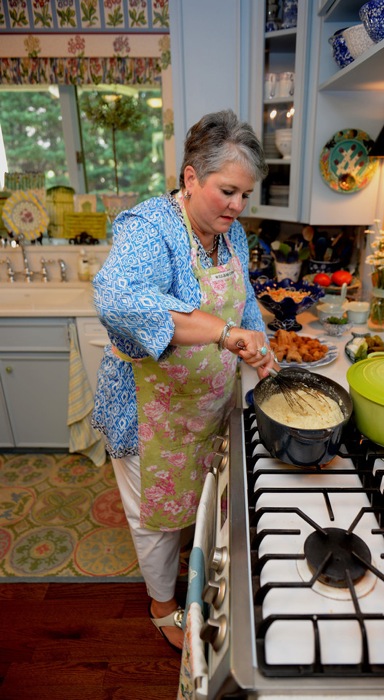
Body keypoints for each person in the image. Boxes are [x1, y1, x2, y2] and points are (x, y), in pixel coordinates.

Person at [91, 109, 277, 652]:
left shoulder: (231, 233)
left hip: (207, 406)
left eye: (245, 194)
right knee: (155, 518)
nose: (238, 206)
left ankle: (198, 588)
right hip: (151, 414)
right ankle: (163, 606)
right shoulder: (151, 228)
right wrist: (221, 334)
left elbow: (242, 304)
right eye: (227, 191)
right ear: (191, 178)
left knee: (200, 505)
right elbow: (116, 298)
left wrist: (262, 355)